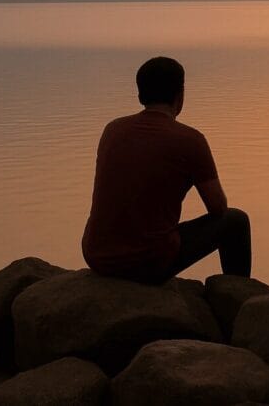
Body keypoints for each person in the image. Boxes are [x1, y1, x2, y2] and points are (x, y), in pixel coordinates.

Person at [82, 56, 251, 283]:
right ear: (180, 96)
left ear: (140, 95)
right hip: (147, 263)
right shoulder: (190, 140)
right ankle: (238, 294)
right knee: (236, 221)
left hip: (97, 256)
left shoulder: (112, 130)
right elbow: (218, 207)